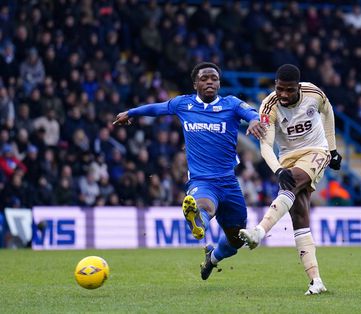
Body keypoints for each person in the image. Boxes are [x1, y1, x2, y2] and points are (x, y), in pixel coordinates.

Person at [113, 62, 265, 280]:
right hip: (201, 180)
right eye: (204, 78)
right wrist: (131, 112)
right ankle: (198, 218)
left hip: (229, 183)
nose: (210, 81)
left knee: (236, 239)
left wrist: (254, 121)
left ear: (219, 83)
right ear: (195, 84)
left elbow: (250, 112)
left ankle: (212, 258)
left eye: (214, 78)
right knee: (204, 205)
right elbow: (157, 108)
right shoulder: (183, 104)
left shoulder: (231, 104)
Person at [239, 64, 342, 295]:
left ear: (298, 87)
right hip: (287, 158)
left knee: (293, 182)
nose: (283, 94)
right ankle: (316, 280)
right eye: (279, 89)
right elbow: (265, 146)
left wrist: (332, 149)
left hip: (316, 150)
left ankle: (259, 232)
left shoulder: (314, 94)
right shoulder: (269, 105)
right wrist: (277, 170)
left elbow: (328, 111)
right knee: (299, 216)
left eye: (289, 90)